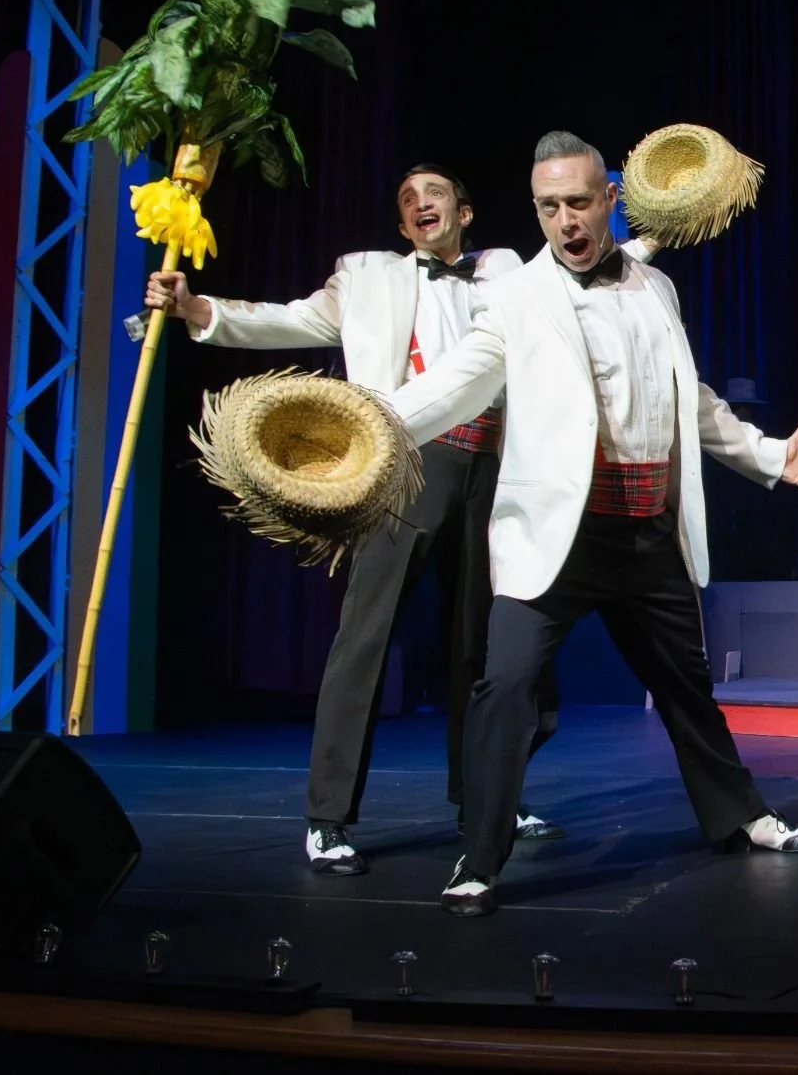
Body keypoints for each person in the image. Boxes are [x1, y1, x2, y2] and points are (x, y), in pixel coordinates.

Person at [381, 131, 798, 917]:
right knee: (505, 689)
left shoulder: (653, 288)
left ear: (610, 200)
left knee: (685, 686)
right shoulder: (517, 297)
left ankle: (741, 817)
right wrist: (371, 424)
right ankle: (481, 856)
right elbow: (456, 386)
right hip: (556, 537)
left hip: (644, 529)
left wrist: (767, 456)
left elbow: (688, 398)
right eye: (548, 206)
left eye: (578, 202)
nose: (565, 220)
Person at [146, 165, 573, 875]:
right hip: (406, 461)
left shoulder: (507, 269)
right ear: (403, 227)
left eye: (433, 193)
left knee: (483, 647)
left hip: (498, 466)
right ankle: (328, 817)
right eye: (406, 201)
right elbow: (285, 316)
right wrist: (198, 310)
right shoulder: (367, 276)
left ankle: (485, 800)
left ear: (464, 209)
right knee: (366, 638)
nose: (419, 204)